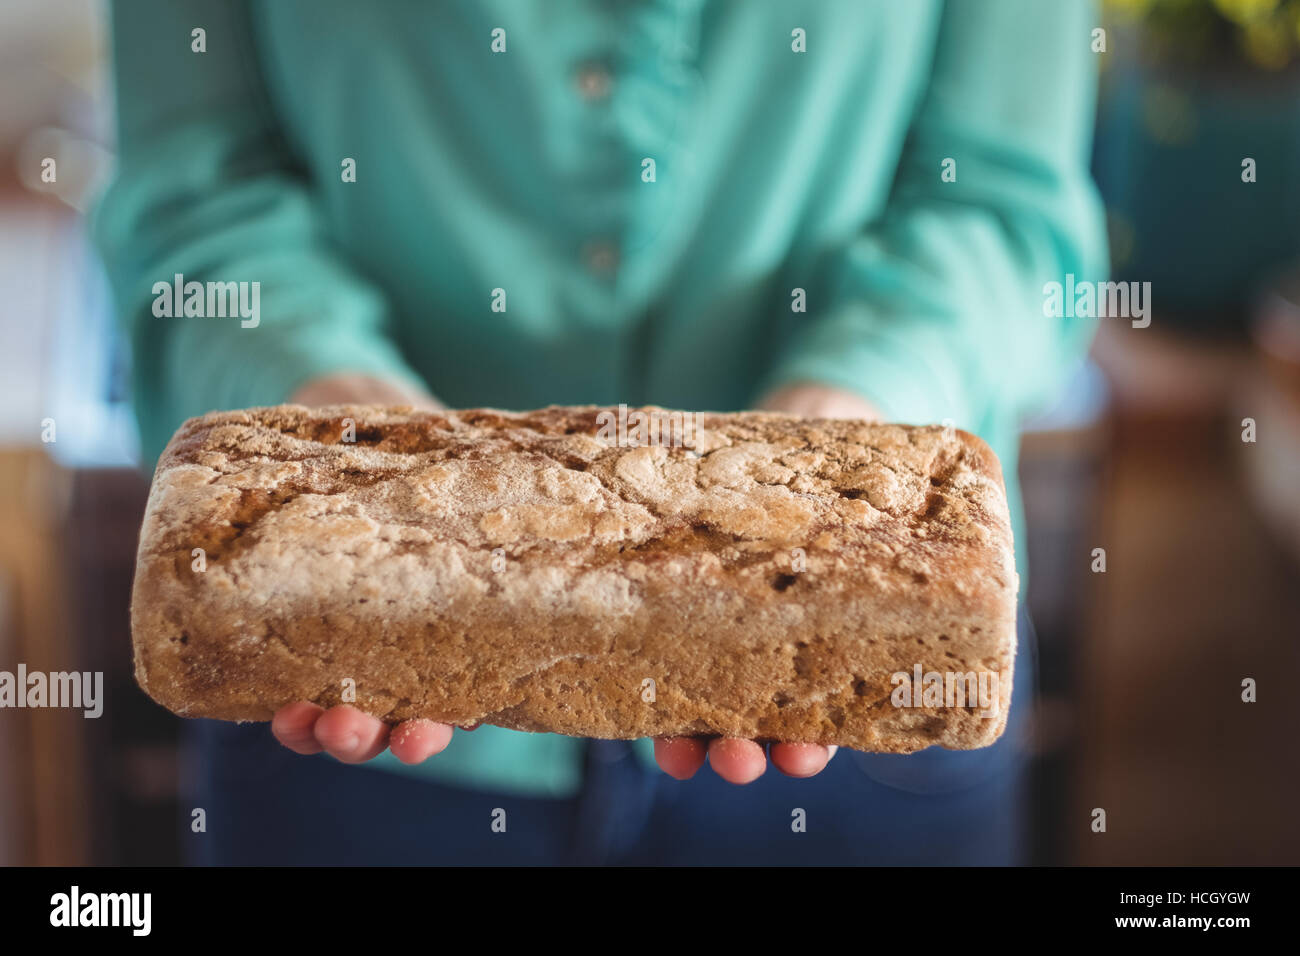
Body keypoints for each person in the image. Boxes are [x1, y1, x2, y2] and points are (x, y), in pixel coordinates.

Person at [93, 0, 1107, 864]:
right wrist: (342, 427)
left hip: (868, 727)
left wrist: (836, 440)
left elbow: (1000, 200)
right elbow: (197, 193)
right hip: (332, 713)